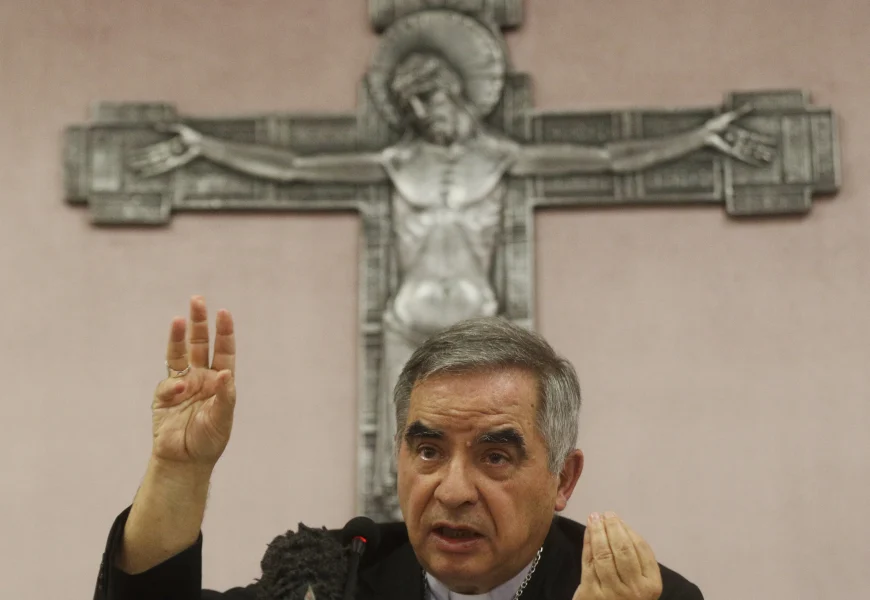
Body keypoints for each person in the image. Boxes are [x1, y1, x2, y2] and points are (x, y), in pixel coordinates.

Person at [129, 53, 774, 517]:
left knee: (489, 449)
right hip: (407, 320)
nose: (422, 114)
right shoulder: (396, 160)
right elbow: (295, 167)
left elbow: (607, 160)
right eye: (411, 106)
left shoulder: (500, 156)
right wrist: (204, 149)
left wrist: (699, 139)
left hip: (478, 326)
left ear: (456, 94)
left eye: (429, 99)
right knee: (411, 459)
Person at [93, 296, 703, 599]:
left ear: (563, 479)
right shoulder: (340, 579)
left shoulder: (638, 597)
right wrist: (179, 471)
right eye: (429, 451)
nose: (453, 491)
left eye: (494, 457)